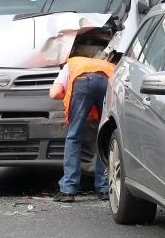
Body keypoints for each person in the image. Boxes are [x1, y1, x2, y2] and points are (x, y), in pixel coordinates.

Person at [49, 54, 115, 203]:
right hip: (107, 83)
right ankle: (104, 188)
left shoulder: (71, 65)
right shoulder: (109, 66)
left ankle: (68, 190)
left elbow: (54, 93)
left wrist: (73, 96)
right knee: (104, 137)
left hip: (82, 82)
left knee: (74, 136)